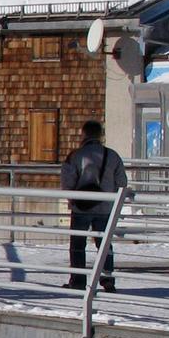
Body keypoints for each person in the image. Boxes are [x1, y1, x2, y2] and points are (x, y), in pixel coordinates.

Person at [60, 119, 127, 291]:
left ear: (83, 134)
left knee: (77, 244)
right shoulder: (112, 156)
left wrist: (72, 199)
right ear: (100, 135)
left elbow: (67, 182)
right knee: (104, 244)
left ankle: (78, 280)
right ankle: (107, 278)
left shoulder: (76, 155)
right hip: (105, 206)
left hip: (81, 206)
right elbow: (122, 182)